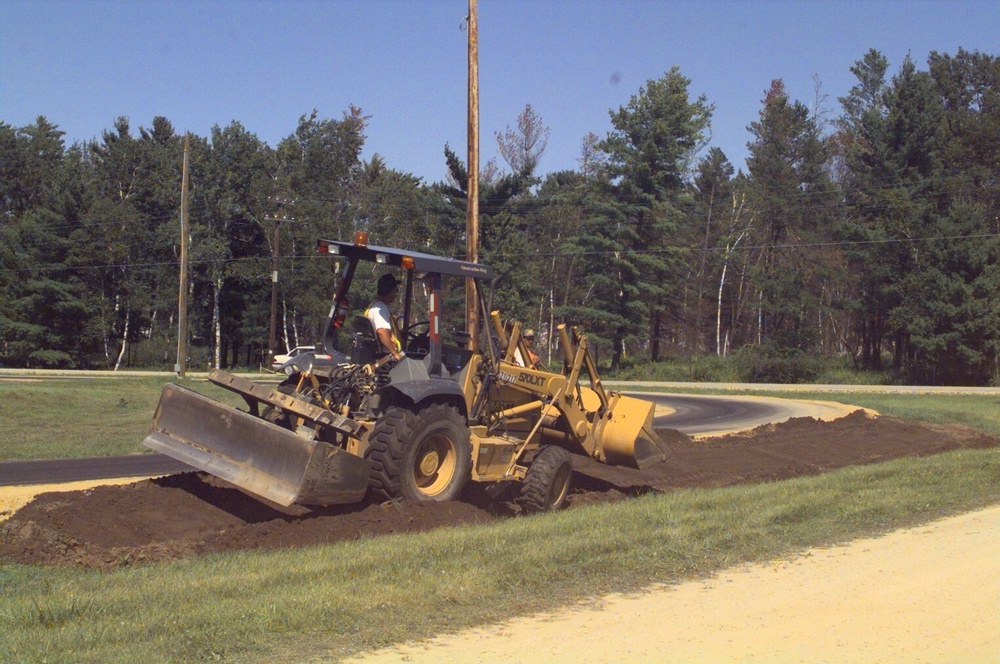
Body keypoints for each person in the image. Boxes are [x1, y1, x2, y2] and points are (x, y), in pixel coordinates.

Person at [366, 273, 404, 362]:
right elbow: (381, 331)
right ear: (390, 291)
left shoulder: (374, 305)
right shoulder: (380, 308)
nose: (396, 294)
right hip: (388, 356)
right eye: (396, 290)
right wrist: (395, 354)